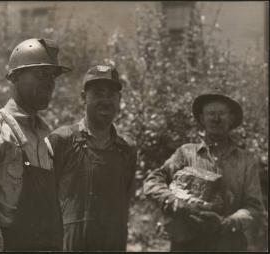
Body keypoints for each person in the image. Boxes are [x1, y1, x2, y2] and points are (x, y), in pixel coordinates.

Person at [0, 38, 70, 251]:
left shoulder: (46, 141)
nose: (49, 82)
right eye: (41, 73)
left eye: (53, 75)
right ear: (15, 76)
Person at [143, 92, 265, 251]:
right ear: (202, 119)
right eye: (211, 113)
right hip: (187, 244)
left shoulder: (246, 161)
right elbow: (152, 181)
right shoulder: (185, 153)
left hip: (229, 244)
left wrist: (227, 223)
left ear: (231, 119)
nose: (216, 119)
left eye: (222, 113)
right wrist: (175, 203)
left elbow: (254, 208)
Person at [45, 64, 137, 251]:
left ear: (119, 100)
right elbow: (43, 202)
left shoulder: (127, 149)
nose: (105, 100)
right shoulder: (61, 141)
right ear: (83, 98)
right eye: (97, 93)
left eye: (111, 94)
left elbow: (125, 201)